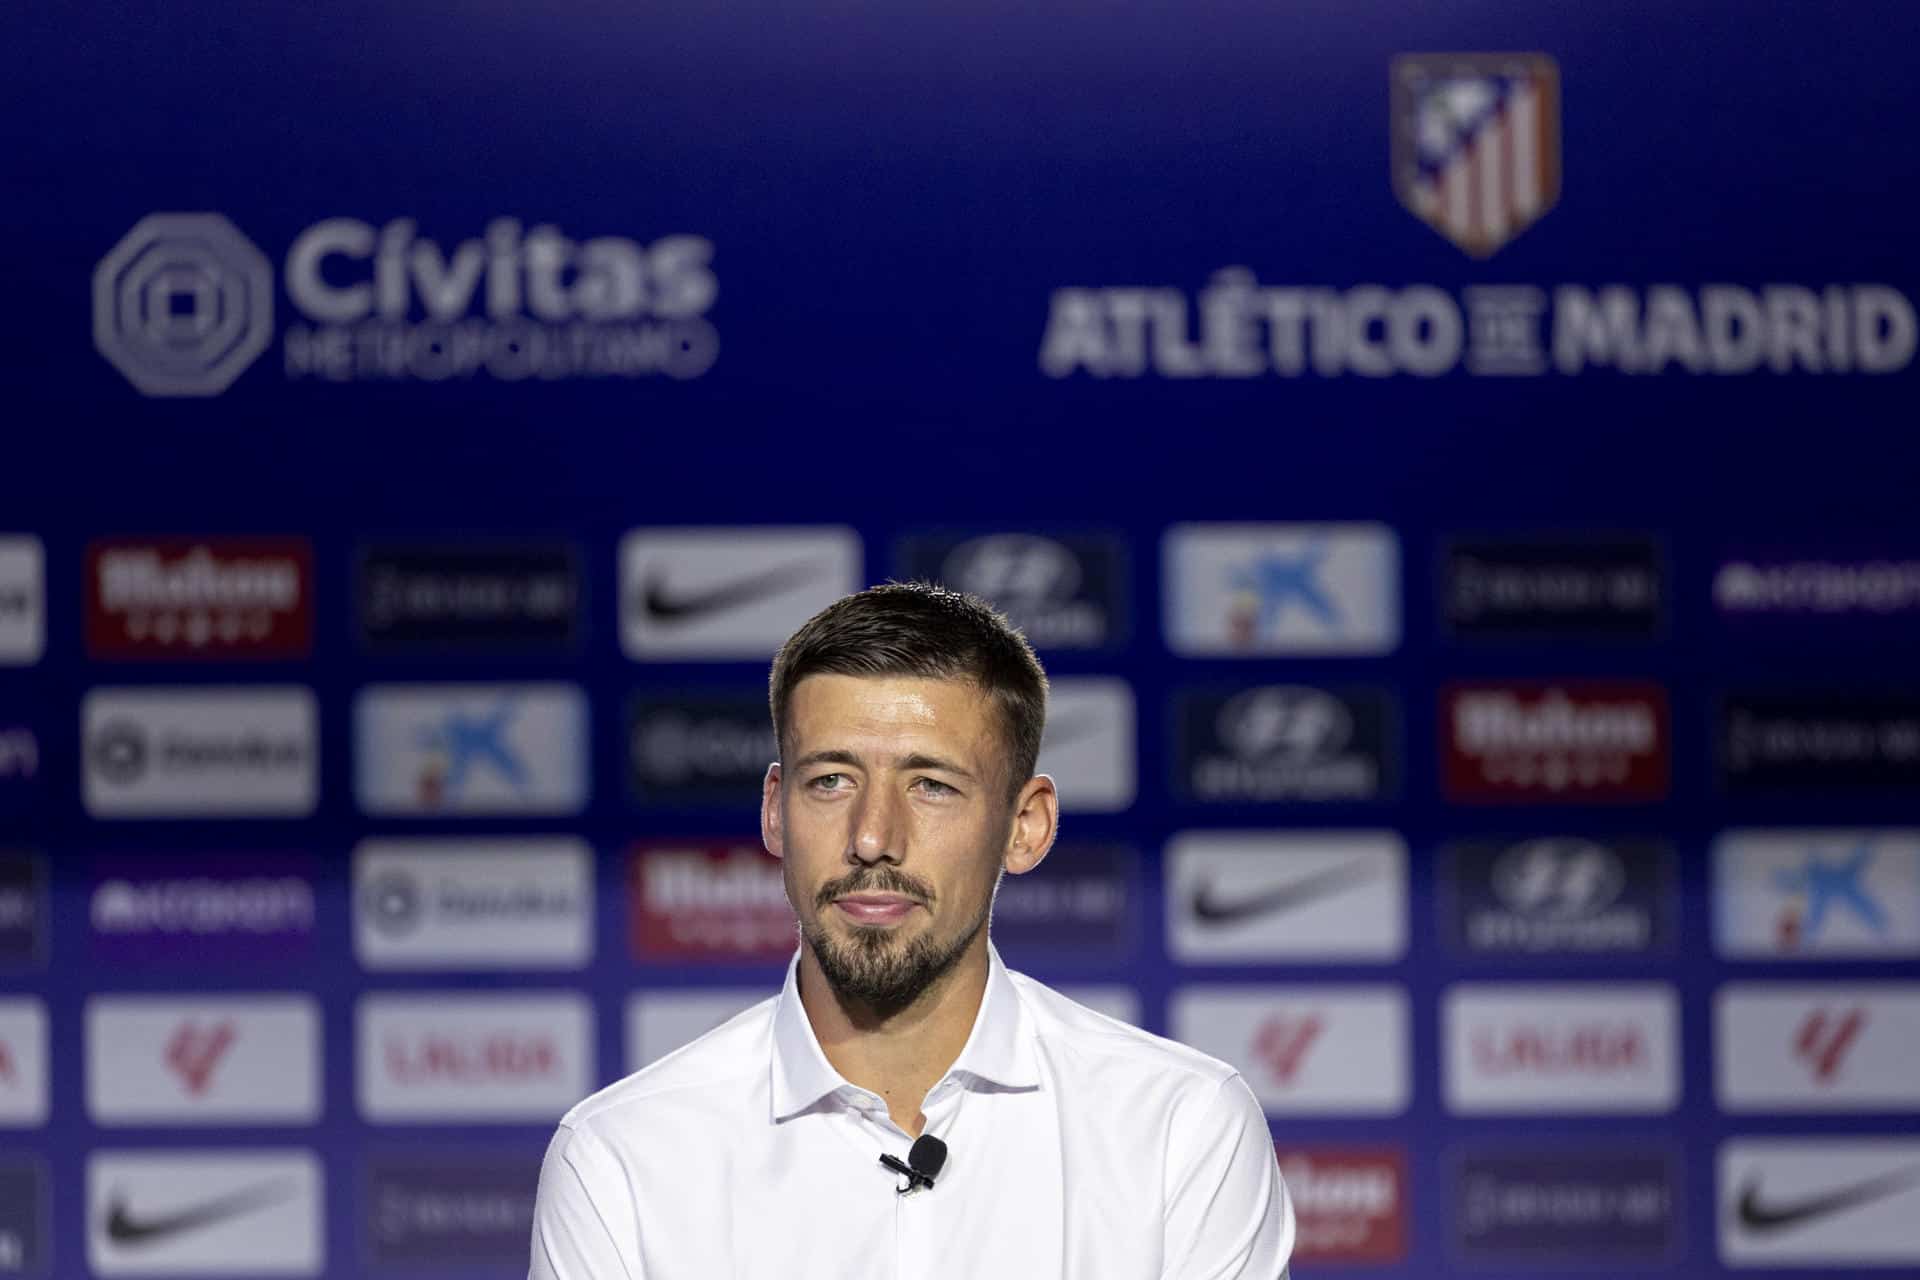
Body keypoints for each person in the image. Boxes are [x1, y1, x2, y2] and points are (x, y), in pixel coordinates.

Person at [529, 582, 1294, 1278]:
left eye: (930, 785)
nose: (871, 837)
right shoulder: (622, 1158)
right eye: (831, 780)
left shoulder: (1181, 1131)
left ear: (1025, 827)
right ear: (773, 810)